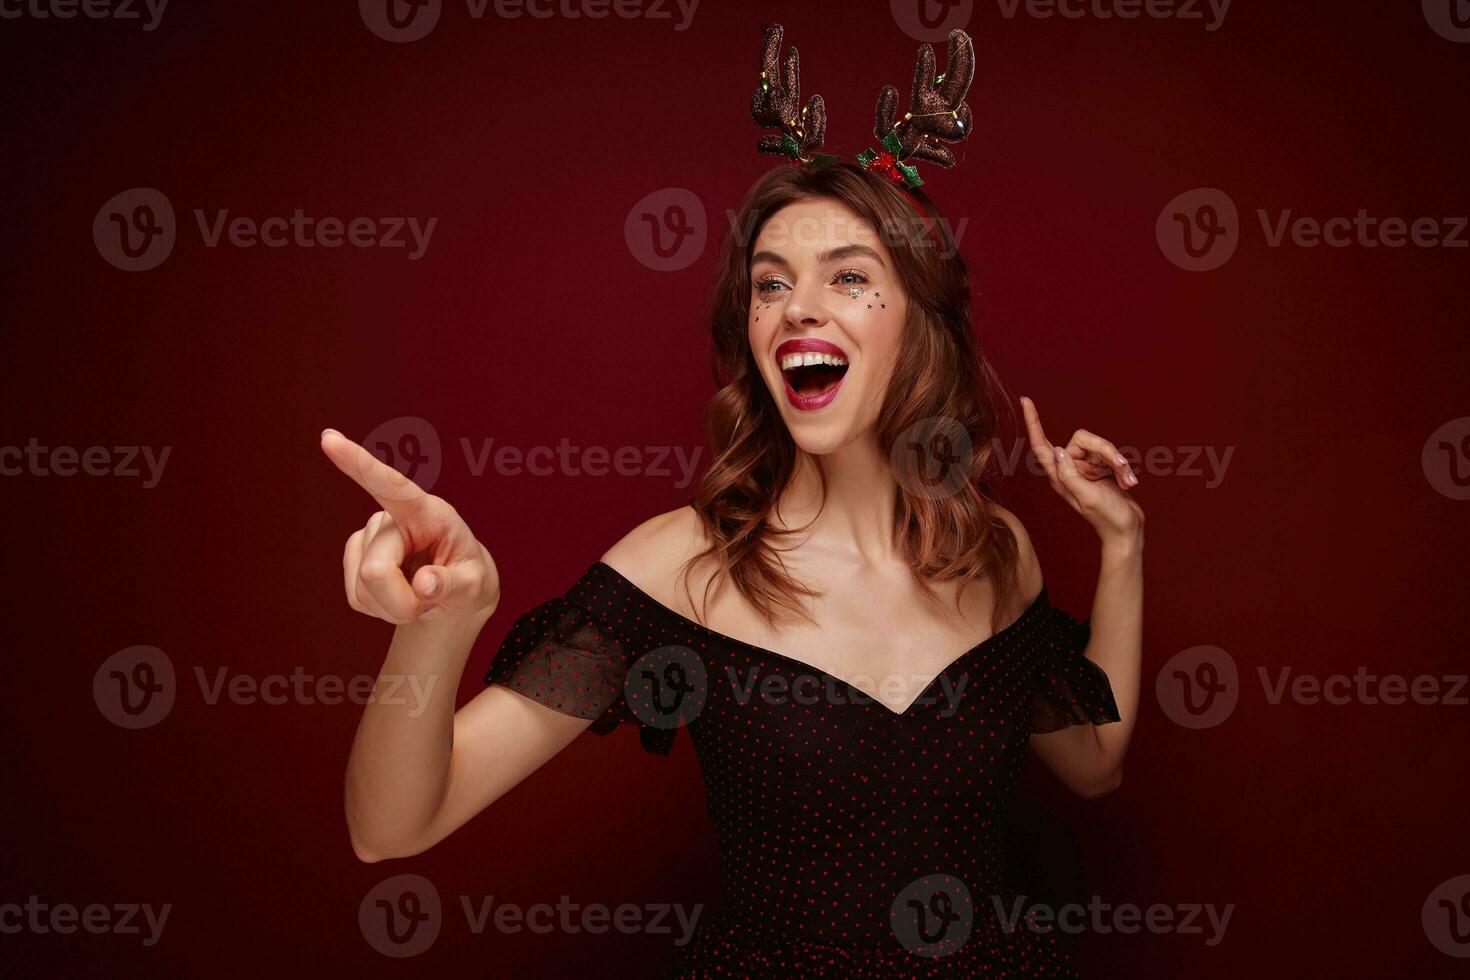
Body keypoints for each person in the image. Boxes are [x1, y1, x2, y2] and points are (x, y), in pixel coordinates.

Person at [322, 24, 1141, 977]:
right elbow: (391, 829)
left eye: (848, 277)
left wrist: (1122, 547)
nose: (797, 307)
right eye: (770, 283)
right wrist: (437, 628)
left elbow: (1096, 763)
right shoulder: (684, 565)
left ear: (920, 322)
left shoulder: (991, 550)